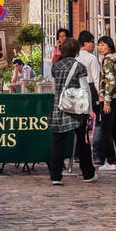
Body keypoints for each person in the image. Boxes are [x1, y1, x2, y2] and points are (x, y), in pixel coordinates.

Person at [47, 38, 96, 185]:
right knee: (83, 142)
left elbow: (55, 87)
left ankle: (55, 176)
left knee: (58, 143)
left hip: (60, 106)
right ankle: (87, 173)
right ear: (76, 51)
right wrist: (90, 109)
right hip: (76, 108)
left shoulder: (56, 66)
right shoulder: (79, 66)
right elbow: (85, 88)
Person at [94, 36, 116, 170]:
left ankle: (111, 161)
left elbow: (110, 82)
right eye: (99, 45)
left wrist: (107, 101)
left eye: (102, 45)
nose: (100, 48)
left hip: (111, 99)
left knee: (106, 131)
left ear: (109, 46)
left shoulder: (108, 60)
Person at [76, 30, 103, 163]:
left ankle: (77, 153)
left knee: (79, 123)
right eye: (92, 42)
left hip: (77, 90)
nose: (94, 45)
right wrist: (101, 96)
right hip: (91, 89)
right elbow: (97, 79)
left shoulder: (75, 57)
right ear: (86, 43)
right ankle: (97, 155)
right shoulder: (91, 58)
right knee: (97, 123)